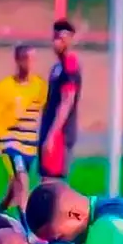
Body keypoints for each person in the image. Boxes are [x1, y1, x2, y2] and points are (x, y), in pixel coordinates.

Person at [0, 44, 47, 231]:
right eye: (26, 59)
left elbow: (46, 110)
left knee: (14, 189)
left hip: (29, 144)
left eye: (33, 59)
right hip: (10, 141)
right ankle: (27, 227)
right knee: (22, 179)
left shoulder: (40, 86)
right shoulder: (5, 87)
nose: (30, 64)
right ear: (18, 60)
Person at [38, 19, 81, 182]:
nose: (56, 43)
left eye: (61, 39)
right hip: (49, 128)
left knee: (52, 182)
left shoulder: (70, 65)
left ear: (70, 40)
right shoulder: (57, 67)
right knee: (45, 179)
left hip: (60, 133)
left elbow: (67, 101)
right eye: (55, 38)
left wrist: (52, 135)